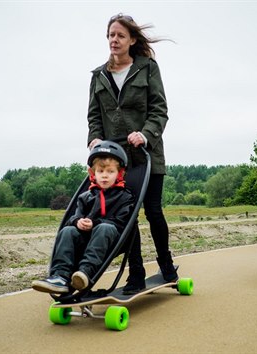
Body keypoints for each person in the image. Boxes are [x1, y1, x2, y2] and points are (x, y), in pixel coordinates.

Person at [86, 13, 177, 295]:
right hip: (115, 161)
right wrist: (95, 138)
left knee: (152, 210)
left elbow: (159, 111)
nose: (114, 40)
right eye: (111, 35)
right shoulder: (98, 75)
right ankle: (135, 274)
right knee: (126, 216)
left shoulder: (148, 68)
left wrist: (145, 134)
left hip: (147, 156)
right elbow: (93, 117)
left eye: (120, 35)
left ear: (132, 40)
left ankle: (166, 265)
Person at [31, 141, 134, 294]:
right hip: (86, 238)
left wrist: (95, 223)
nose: (104, 175)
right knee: (67, 231)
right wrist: (78, 222)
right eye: (100, 171)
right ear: (93, 174)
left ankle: (84, 273)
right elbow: (74, 217)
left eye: (110, 172)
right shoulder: (86, 197)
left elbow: (121, 223)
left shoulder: (125, 197)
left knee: (104, 227)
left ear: (119, 174)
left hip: (112, 239)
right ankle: (60, 276)